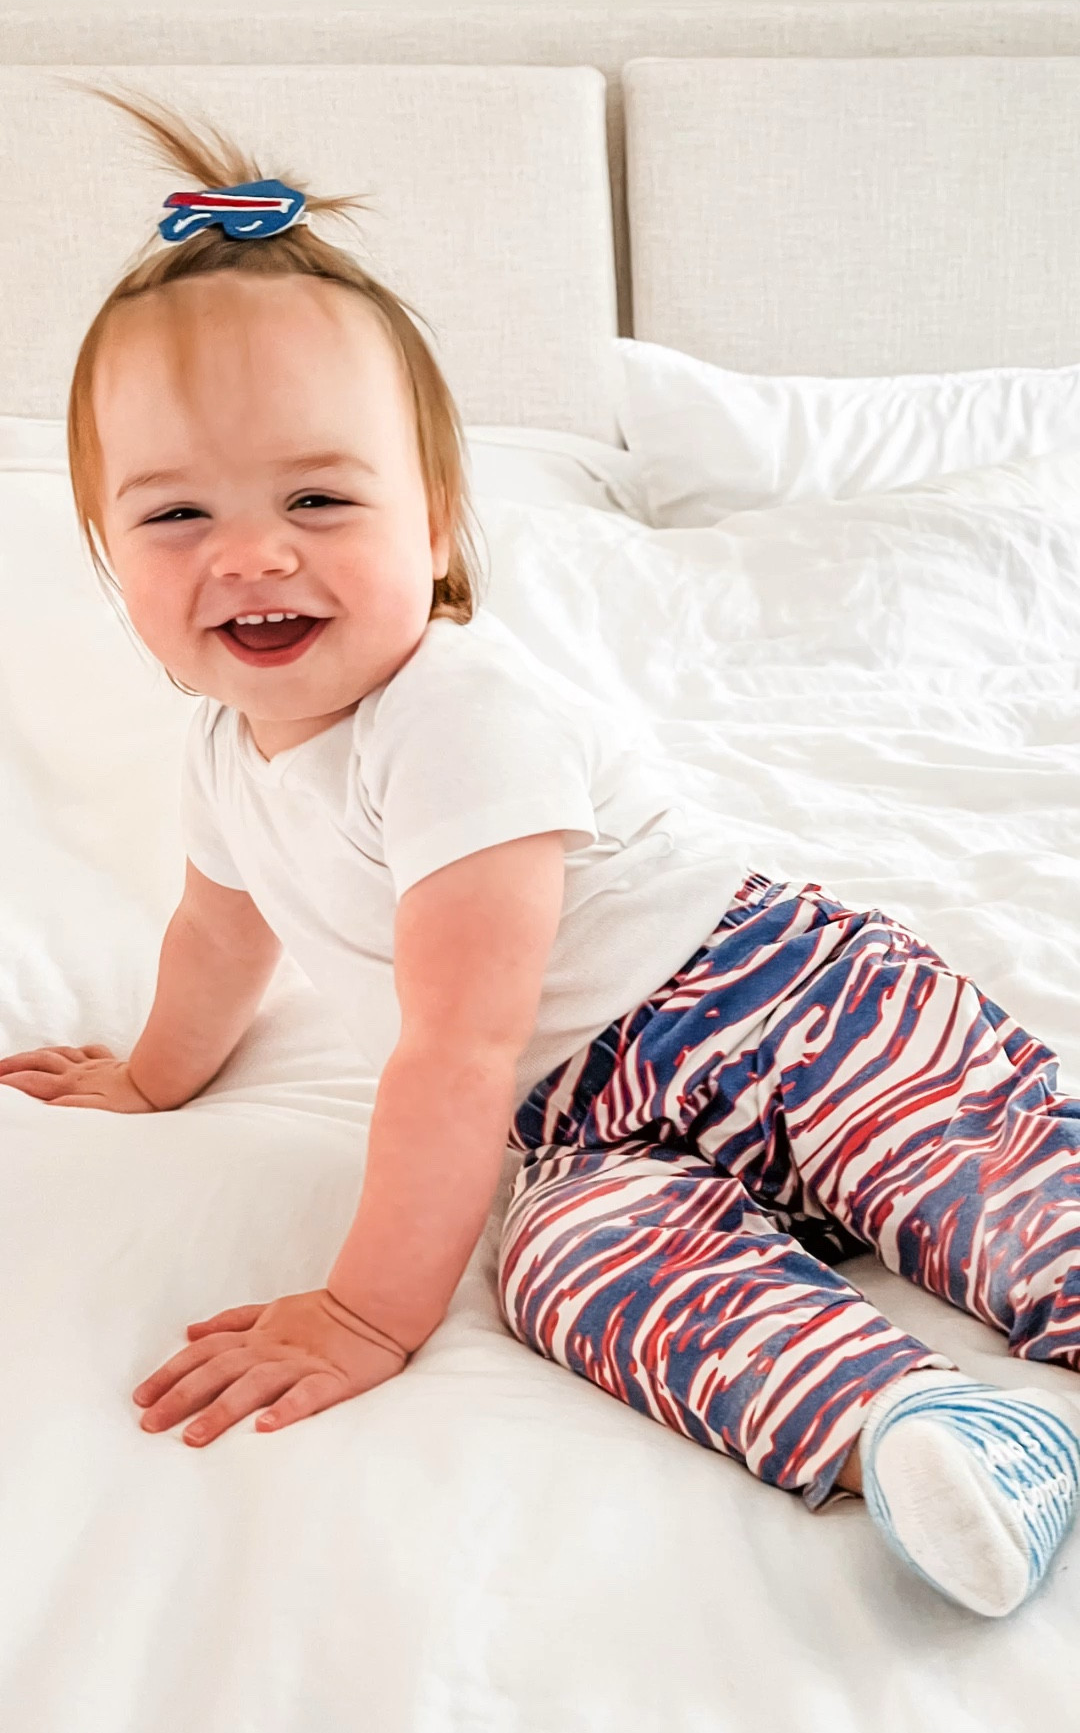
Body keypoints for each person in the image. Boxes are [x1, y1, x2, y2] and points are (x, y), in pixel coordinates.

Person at [2, 86, 1079, 1623]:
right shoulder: (222, 755)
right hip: (581, 1122)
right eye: (176, 513)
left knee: (989, 1181)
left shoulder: (458, 717)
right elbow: (215, 935)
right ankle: (935, 1431)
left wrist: (371, 1314)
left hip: (774, 1009)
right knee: (573, 1276)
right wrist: (154, 1074)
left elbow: (455, 1049)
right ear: (109, 561)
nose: (251, 554)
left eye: (319, 496)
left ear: (437, 524)